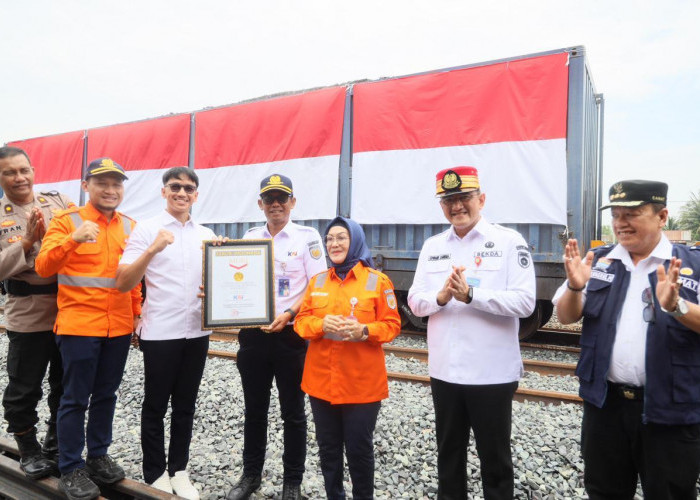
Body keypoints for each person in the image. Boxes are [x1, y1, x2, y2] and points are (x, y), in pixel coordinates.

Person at [553, 180, 700, 499]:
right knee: (604, 491)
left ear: (662, 216)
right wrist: (576, 288)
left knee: (671, 492)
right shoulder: (598, 260)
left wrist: (678, 307)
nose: (620, 222)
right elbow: (565, 316)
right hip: (606, 407)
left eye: (632, 213)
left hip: (670, 411)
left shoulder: (692, 265)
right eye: (616, 214)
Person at [407, 166, 536, 499]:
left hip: (491, 375)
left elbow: (524, 303)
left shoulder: (509, 242)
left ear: (482, 198)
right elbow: (414, 301)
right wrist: (441, 297)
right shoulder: (433, 246)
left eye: (464, 197)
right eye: (448, 200)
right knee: (448, 458)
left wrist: (472, 296)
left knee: (495, 461)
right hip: (445, 372)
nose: (456, 206)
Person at [35, 158, 142, 500]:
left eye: (116, 184)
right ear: (86, 187)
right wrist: (73, 240)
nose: (110, 190)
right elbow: (42, 267)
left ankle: (97, 456)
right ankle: (70, 467)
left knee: (107, 395)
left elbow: (134, 276)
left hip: (119, 326)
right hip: (80, 324)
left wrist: (136, 314)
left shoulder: (130, 225)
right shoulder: (68, 222)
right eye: (102, 183)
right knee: (75, 398)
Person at [115, 167, 215, 499]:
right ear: (164, 191)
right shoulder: (146, 230)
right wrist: (152, 249)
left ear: (196, 195)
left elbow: (218, 284)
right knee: (156, 405)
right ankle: (155, 471)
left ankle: (180, 470)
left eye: (189, 188)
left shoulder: (207, 235)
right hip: (160, 331)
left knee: (186, 404)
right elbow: (125, 280)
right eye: (175, 187)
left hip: (197, 331)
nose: (182, 193)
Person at [226, 174, 327, 500]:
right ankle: (250, 475)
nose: (275, 204)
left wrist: (291, 314)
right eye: (269, 199)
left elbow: (317, 285)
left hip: (290, 337)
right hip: (254, 337)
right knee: (254, 410)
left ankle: (292, 482)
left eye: (281, 198)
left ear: (292, 202)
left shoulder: (307, 237)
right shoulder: (251, 237)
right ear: (260, 204)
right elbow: (237, 280)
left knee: (293, 413)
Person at [294, 216, 401, 499]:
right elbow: (301, 323)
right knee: (329, 450)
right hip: (321, 385)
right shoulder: (317, 281)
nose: (334, 243)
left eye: (341, 237)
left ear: (355, 241)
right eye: (329, 239)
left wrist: (365, 330)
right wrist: (320, 325)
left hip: (362, 387)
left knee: (358, 450)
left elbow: (392, 325)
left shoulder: (378, 282)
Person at [0, 146, 75, 479]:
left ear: (33, 170)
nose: (19, 178)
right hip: (27, 313)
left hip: (67, 310)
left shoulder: (56, 201)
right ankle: (28, 450)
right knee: (24, 387)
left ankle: (56, 443)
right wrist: (28, 241)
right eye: (10, 172)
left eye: (24, 170)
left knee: (65, 383)